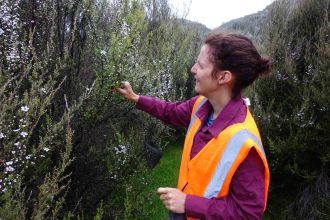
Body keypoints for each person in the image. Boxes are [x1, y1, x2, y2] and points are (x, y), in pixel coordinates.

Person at [117, 31, 271, 220]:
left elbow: (248, 214)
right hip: (182, 211)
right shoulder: (201, 105)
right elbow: (170, 111)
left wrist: (188, 203)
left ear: (223, 77)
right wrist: (136, 98)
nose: (193, 69)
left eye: (200, 65)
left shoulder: (244, 143)